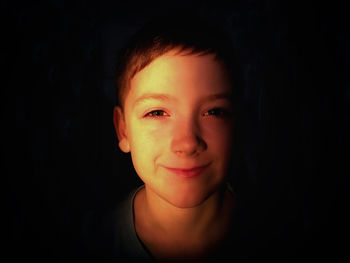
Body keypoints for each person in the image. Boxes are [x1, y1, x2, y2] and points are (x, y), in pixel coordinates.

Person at [77, 8, 245, 263]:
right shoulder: (91, 242)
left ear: (236, 124)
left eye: (214, 111)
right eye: (157, 112)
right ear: (123, 130)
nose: (188, 143)